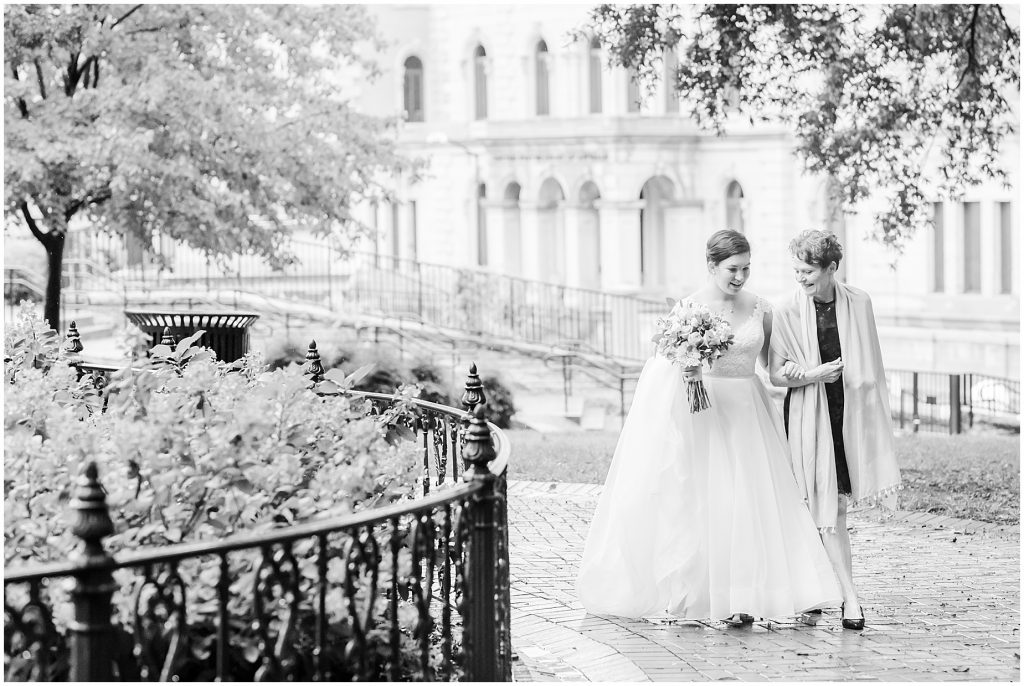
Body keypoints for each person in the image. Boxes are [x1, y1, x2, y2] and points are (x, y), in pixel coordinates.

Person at [577, 230, 841, 624]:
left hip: (748, 413)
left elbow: (775, 371)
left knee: (751, 501)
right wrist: (687, 368)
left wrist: (814, 374)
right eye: (733, 269)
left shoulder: (763, 309)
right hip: (702, 415)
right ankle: (698, 595)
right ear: (712, 266)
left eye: (747, 268)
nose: (740, 276)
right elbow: (662, 366)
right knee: (704, 502)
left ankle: (746, 598)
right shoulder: (688, 309)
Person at [769, 229, 902, 631]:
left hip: (850, 413)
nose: (801, 278)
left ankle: (844, 596)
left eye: (808, 270)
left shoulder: (859, 302)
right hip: (809, 415)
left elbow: (872, 367)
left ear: (831, 268)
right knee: (813, 506)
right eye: (796, 270)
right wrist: (810, 374)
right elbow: (777, 375)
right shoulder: (786, 310)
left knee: (834, 507)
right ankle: (829, 591)